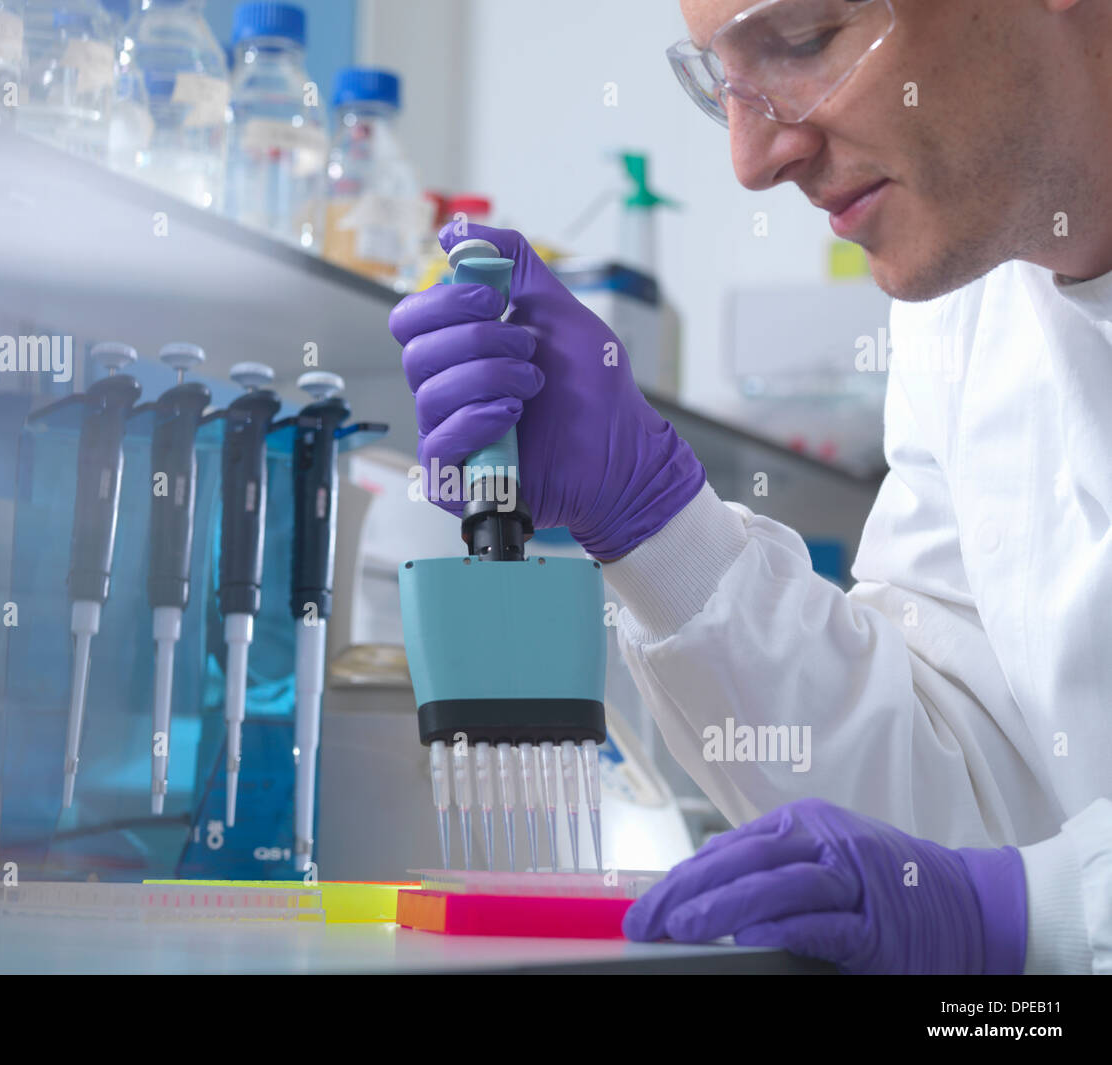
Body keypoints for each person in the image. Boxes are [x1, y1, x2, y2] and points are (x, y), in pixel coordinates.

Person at [388, 0, 1112, 974]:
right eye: (719, 81)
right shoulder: (966, 301)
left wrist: (1042, 910)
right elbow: (956, 802)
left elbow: (1001, 891)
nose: (752, 159)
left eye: (805, 40)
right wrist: (650, 518)